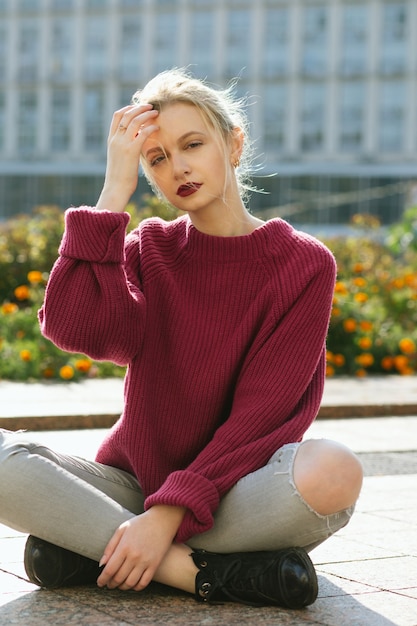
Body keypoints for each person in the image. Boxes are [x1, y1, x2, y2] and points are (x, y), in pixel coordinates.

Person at [0, 69, 363, 609]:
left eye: (192, 144)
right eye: (157, 158)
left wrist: (165, 516)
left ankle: (99, 546)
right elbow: (72, 326)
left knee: (334, 470)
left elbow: (262, 417)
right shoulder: (150, 249)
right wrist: (112, 194)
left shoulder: (304, 264)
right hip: (136, 485)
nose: (179, 167)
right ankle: (203, 574)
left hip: (238, 492)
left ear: (234, 143)